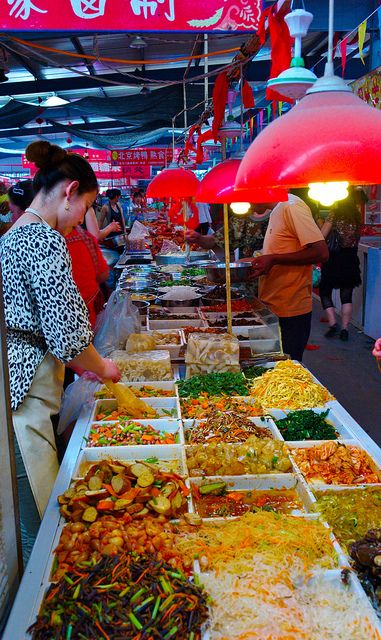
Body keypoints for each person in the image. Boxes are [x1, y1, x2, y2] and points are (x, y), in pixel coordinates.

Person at [0, 140, 121, 530]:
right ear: (70, 191)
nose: (81, 218)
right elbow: (66, 334)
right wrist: (103, 366)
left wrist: (80, 364)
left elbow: (42, 321)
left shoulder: (16, 233)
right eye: (86, 206)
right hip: (22, 393)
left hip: (16, 376)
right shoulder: (43, 238)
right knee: (38, 519)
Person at [245, 194, 329, 361]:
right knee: (265, 367)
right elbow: (282, 251)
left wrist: (274, 259)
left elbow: (321, 252)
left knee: (286, 371)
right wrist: (254, 261)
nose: (248, 206)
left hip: (291, 310)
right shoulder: (277, 210)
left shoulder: (291, 206)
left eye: (246, 197)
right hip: (271, 306)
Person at [319, 192, 362, 341]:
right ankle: (345, 329)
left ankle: (333, 324)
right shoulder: (356, 217)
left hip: (334, 259)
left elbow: (322, 235)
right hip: (351, 259)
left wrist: (320, 224)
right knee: (346, 295)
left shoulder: (334, 214)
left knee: (325, 291)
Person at [66, 225, 109, 328]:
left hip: (66, 322)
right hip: (84, 318)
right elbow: (103, 274)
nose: (80, 220)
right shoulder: (82, 236)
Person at [186, 205, 270, 258]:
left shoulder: (279, 213)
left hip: (275, 281)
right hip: (244, 280)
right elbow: (215, 240)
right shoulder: (240, 218)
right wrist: (198, 238)